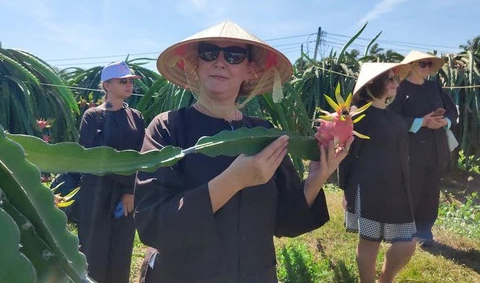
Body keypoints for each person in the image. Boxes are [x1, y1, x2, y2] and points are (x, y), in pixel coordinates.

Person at [134, 21, 352, 282]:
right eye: (209, 53)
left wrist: (316, 178)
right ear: (197, 63)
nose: (220, 62)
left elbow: (286, 221)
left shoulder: (265, 134)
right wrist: (234, 180)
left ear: (249, 69)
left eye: (234, 56)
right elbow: (153, 225)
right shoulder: (167, 128)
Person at [339, 62, 416, 283]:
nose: (395, 84)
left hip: (396, 189)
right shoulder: (358, 116)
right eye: (390, 79)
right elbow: (346, 154)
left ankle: (386, 278)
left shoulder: (391, 114)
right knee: (370, 241)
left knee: (408, 242)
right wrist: (345, 189)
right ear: (373, 84)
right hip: (369, 188)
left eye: (396, 79)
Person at [76, 61, 145, 283]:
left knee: (121, 251)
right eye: (123, 81)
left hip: (126, 195)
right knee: (92, 253)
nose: (129, 85)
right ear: (107, 85)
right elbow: (91, 157)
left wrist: (131, 191)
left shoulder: (136, 116)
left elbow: (141, 155)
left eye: (131, 81)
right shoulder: (92, 116)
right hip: (96, 192)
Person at [389, 51, 458, 246]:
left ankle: (425, 232)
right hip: (411, 151)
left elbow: (452, 110)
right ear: (410, 65)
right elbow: (392, 119)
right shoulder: (399, 89)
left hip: (436, 148)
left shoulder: (434, 86)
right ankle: (405, 232)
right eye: (423, 64)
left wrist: (444, 120)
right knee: (411, 190)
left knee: (430, 191)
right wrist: (421, 122)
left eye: (429, 64)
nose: (427, 67)